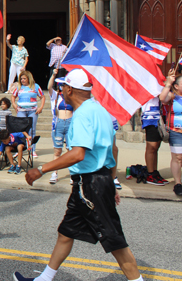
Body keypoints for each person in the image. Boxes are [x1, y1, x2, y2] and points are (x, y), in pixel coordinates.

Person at [14, 69, 144, 281]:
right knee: (66, 232)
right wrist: (110, 182)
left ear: (70, 89)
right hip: (96, 182)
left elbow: (78, 154)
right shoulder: (101, 110)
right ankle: (44, 279)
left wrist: (41, 169)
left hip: (90, 184)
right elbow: (113, 150)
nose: (61, 90)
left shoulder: (83, 114)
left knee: (114, 240)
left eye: (62, 86)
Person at [11, 70, 45, 157]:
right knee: (20, 130)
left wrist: (41, 107)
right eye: (21, 79)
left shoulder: (35, 86)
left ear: (29, 79)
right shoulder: (19, 87)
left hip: (33, 110)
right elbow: (13, 96)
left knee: (32, 130)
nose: (22, 80)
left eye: (24, 78)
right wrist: (14, 105)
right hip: (21, 110)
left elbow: (42, 96)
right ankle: (19, 149)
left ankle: (32, 149)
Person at [48, 69, 73, 184]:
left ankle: (73, 174)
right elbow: (49, 87)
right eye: (62, 85)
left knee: (70, 150)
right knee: (57, 151)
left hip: (70, 123)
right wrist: (53, 75)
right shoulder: (56, 96)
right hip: (59, 123)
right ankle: (54, 173)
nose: (64, 87)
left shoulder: (72, 96)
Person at [160, 69, 182, 196]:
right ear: (177, 86)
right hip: (176, 132)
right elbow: (162, 99)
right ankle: (178, 183)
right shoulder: (174, 97)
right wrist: (168, 82)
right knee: (177, 158)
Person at [141, 96, 168, 185]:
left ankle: (154, 172)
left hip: (159, 115)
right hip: (150, 117)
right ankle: (150, 174)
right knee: (151, 147)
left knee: (156, 147)